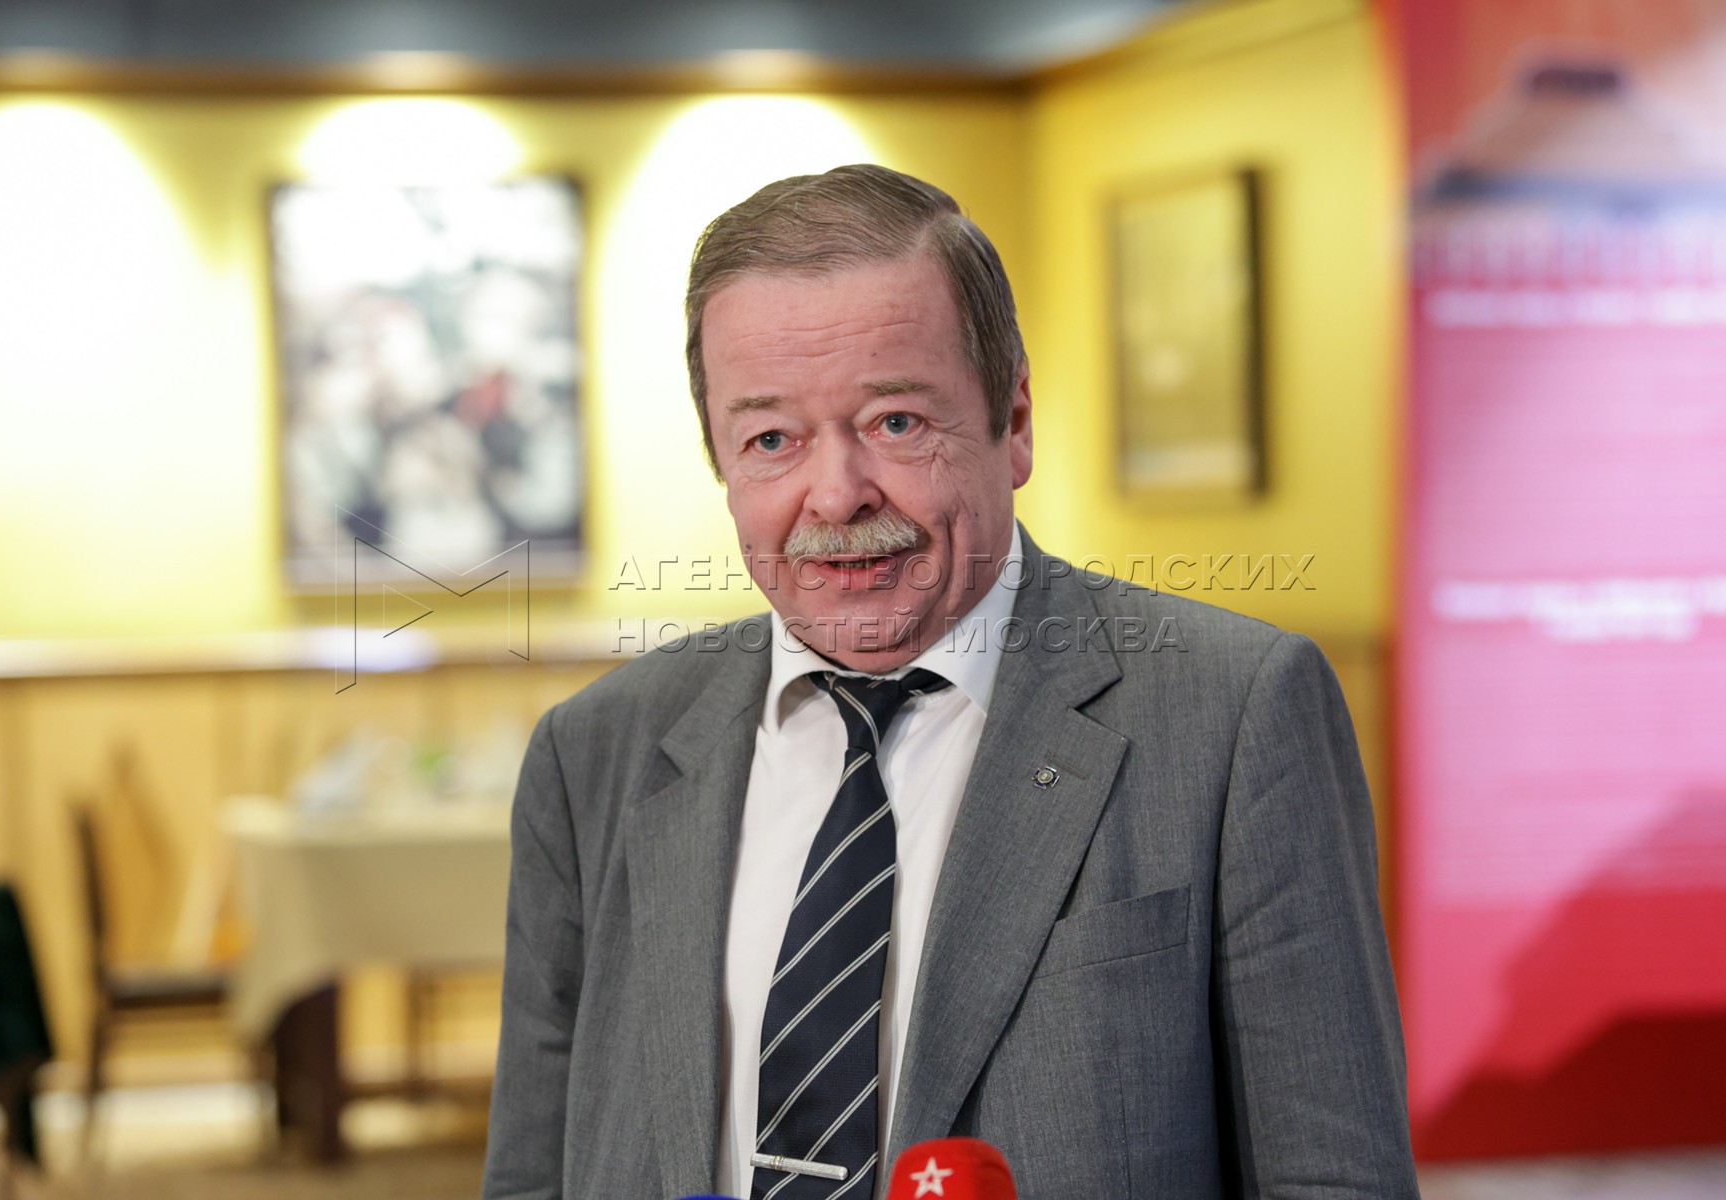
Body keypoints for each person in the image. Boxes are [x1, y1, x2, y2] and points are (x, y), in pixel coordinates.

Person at [482, 164, 1418, 1200]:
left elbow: (1334, 1178)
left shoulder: (1234, 715)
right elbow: (533, 1177)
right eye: (772, 440)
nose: (835, 496)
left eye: (895, 422)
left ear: (1014, 420)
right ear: (722, 459)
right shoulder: (595, 753)